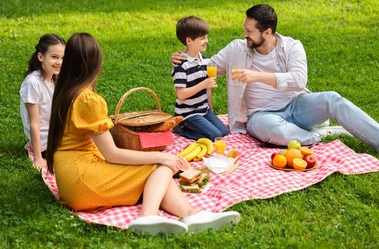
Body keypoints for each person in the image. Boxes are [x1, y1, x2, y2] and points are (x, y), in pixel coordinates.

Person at [46, 32, 240, 235]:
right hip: (82, 182)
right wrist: (161, 156)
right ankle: (147, 217)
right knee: (159, 167)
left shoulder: (65, 92)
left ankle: (192, 215)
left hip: (69, 178)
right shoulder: (88, 100)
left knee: (158, 178)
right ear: (95, 64)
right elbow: (112, 154)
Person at [171, 4, 379, 154]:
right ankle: (317, 136)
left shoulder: (292, 47)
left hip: (295, 106)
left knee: (332, 99)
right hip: (261, 116)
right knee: (272, 131)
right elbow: (207, 67)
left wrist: (257, 76)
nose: (244, 35)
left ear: (267, 32)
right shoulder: (236, 49)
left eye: (249, 31)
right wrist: (184, 58)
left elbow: (299, 80)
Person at [171, 16, 229, 140]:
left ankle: (201, 124)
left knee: (223, 132)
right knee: (215, 136)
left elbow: (207, 91)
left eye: (206, 37)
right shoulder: (181, 65)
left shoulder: (205, 61)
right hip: (188, 114)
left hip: (203, 110)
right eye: (202, 38)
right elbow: (181, 95)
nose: (206, 41)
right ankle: (180, 128)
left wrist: (211, 111)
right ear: (189, 41)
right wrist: (204, 84)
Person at [20, 34, 66, 172]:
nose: (59, 62)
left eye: (63, 58)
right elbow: (34, 123)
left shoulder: (53, 79)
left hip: (56, 135)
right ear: (41, 57)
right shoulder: (33, 83)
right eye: (54, 57)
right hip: (45, 143)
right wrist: (38, 157)